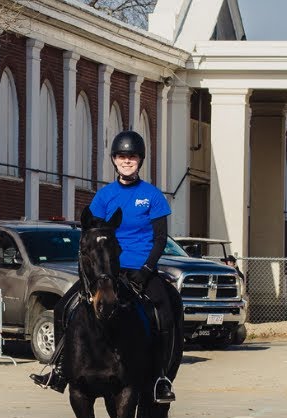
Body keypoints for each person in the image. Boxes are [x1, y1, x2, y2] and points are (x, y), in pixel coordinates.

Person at [31, 130, 178, 403]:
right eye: (122, 156)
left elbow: (160, 239)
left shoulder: (153, 196)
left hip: (140, 268)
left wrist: (147, 269)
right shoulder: (104, 196)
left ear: (140, 160)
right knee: (64, 306)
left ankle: (161, 377)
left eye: (132, 157)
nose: (127, 161)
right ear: (114, 160)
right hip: (106, 271)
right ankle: (60, 370)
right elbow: (91, 235)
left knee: (165, 312)